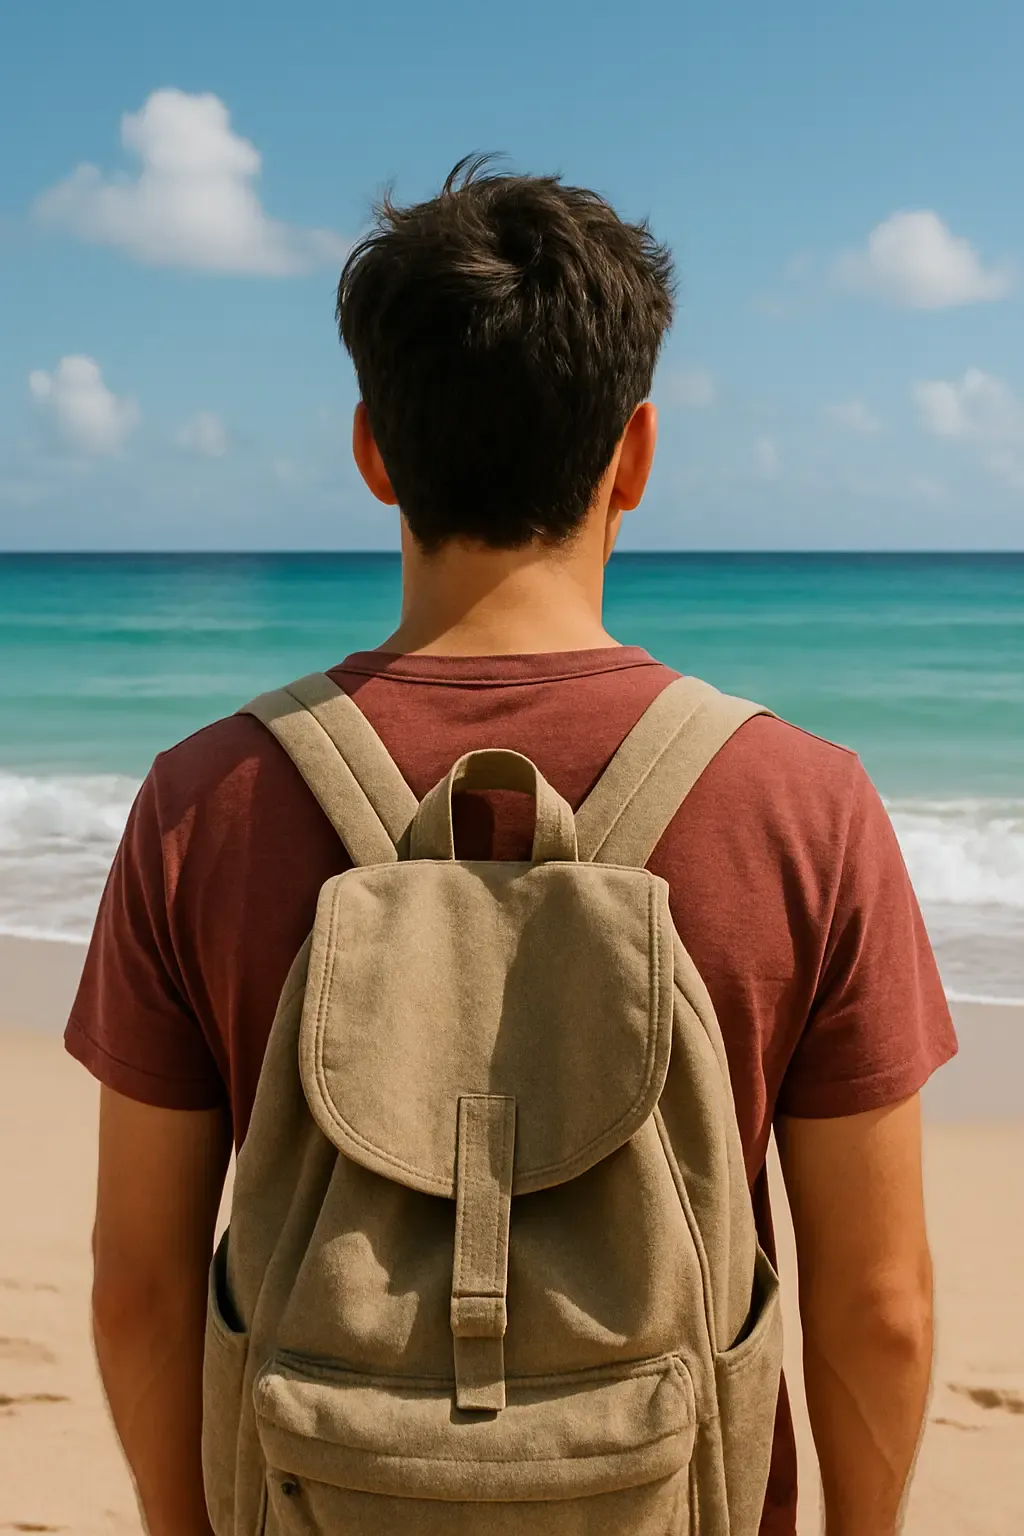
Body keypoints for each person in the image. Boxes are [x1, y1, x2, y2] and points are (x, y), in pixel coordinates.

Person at [66, 157, 956, 1536]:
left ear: (373, 451)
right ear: (638, 456)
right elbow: (881, 1309)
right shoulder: (801, 804)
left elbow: (137, 1289)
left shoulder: (203, 803)